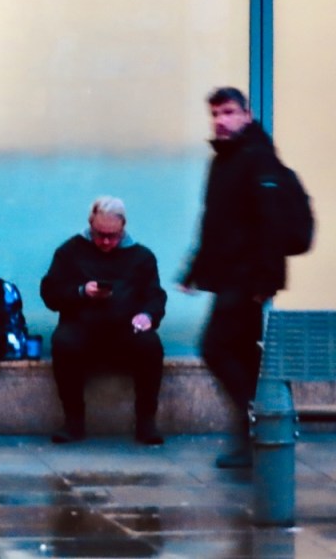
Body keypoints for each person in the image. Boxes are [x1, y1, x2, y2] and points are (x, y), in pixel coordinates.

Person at [179, 86, 286, 469]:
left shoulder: (257, 158)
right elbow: (213, 220)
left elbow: (270, 223)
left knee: (216, 347)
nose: (220, 121)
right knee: (241, 353)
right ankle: (254, 434)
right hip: (230, 276)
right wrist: (195, 268)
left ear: (246, 114)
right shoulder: (223, 160)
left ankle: (254, 420)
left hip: (247, 278)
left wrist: (266, 280)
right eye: (215, 114)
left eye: (228, 112)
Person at [40, 196, 167, 445]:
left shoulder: (141, 257)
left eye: (113, 236)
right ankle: (73, 420)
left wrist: (147, 316)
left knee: (151, 345)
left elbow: (155, 296)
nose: (106, 242)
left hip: (125, 330)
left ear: (123, 227)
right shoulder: (70, 252)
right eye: (100, 235)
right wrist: (81, 292)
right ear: (91, 224)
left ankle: (146, 421)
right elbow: (50, 293)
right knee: (63, 342)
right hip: (81, 328)